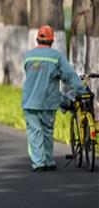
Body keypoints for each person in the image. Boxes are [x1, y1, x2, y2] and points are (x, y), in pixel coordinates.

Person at [22, 25, 84, 172]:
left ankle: (39, 163)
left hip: (30, 101)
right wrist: (81, 90)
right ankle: (49, 160)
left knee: (35, 132)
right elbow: (69, 75)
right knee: (47, 130)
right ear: (52, 41)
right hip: (49, 102)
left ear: (37, 39)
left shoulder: (28, 56)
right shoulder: (56, 57)